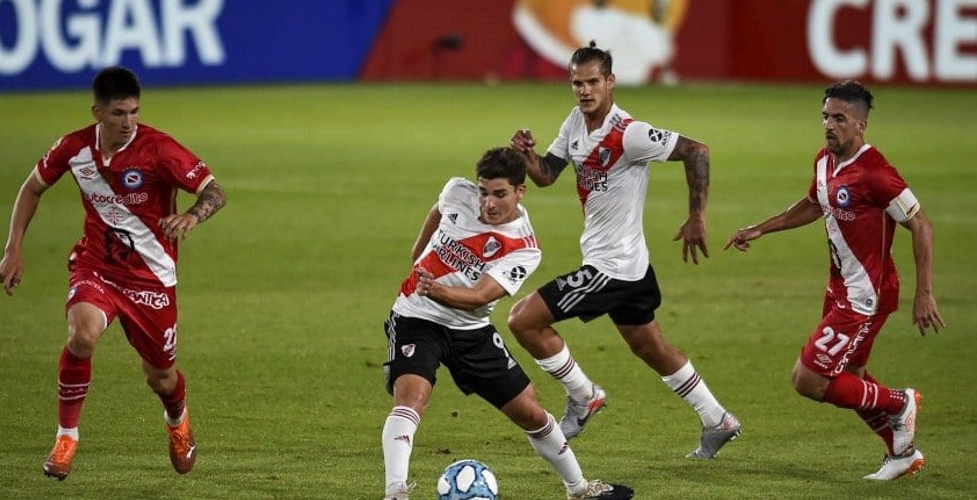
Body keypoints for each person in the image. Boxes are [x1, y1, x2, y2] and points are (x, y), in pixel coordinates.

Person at [506, 41, 741, 459]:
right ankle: (717, 418)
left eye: (593, 81)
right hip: (629, 265)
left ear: (610, 81)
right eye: (577, 83)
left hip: (611, 268)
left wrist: (697, 217)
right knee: (650, 347)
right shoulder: (576, 123)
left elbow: (697, 150)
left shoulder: (629, 134)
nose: (584, 90)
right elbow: (547, 175)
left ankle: (583, 395)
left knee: (523, 321)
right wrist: (526, 156)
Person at [0, 66, 227, 480]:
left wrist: (193, 215)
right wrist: (13, 249)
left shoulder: (160, 150)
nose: (128, 122)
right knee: (81, 335)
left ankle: (178, 421)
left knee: (161, 377)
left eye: (134, 112)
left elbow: (214, 190)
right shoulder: (72, 149)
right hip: (96, 267)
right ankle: (66, 438)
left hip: (151, 278)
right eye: (119, 113)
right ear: (97, 112)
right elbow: (32, 187)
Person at [381, 147, 634, 500]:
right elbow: (439, 210)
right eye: (484, 192)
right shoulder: (458, 191)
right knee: (411, 397)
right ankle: (395, 493)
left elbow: (481, 296)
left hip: (472, 332)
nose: (488, 203)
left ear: (519, 191)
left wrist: (435, 288)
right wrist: (418, 255)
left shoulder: (524, 247)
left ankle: (578, 489)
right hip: (415, 317)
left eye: (499, 194)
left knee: (531, 413)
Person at [723, 80, 944, 480]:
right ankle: (903, 454)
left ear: (860, 125)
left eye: (839, 118)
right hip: (839, 289)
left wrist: (924, 293)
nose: (829, 124)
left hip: (866, 296)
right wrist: (762, 228)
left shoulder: (877, 174)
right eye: (826, 116)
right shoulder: (824, 161)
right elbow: (812, 205)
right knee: (852, 378)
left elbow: (921, 224)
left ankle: (900, 403)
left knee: (808, 379)